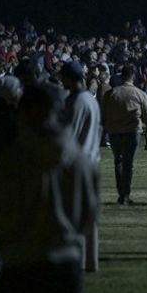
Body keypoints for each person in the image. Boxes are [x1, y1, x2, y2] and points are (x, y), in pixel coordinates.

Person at [0, 82, 98, 293]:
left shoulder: (12, 159)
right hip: (64, 261)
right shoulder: (79, 160)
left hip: (21, 263)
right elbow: (87, 216)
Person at [59, 62, 102, 272]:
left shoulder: (76, 102)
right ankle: (91, 261)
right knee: (89, 218)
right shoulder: (90, 100)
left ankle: (79, 259)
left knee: (74, 215)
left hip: (78, 163)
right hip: (92, 161)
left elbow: (69, 135)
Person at [99, 65, 147, 206]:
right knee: (128, 163)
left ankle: (121, 192)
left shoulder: (111, 93)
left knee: (118, 160)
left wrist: (105, 127)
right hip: (132, 131)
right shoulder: (139, 94)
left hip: (114, 131)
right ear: (133, 77)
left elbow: (103, 113)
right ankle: (125, 193)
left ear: (121, 76)